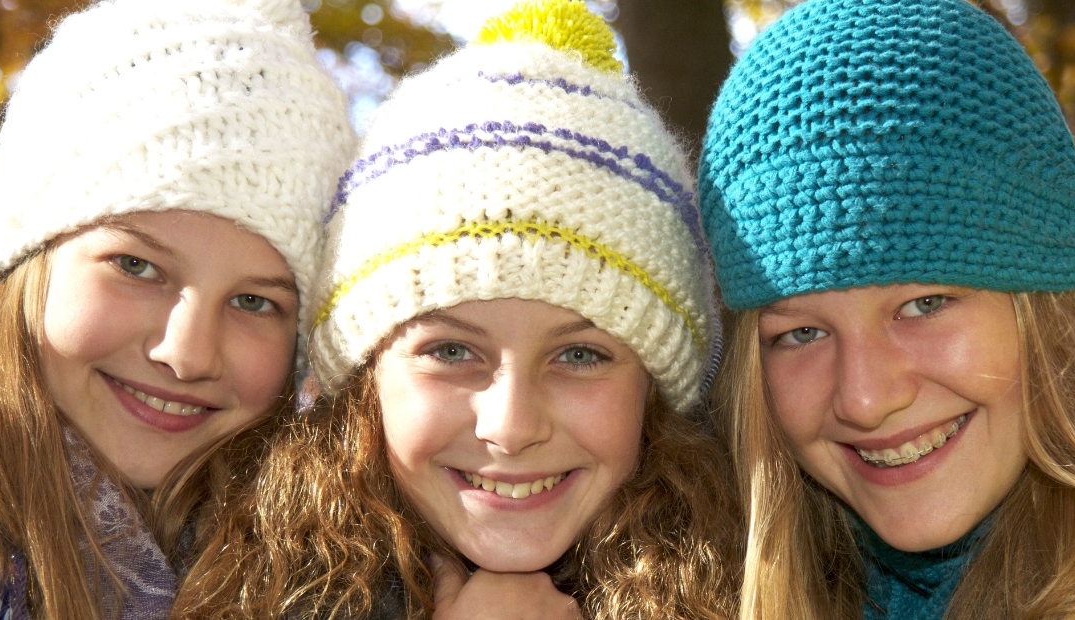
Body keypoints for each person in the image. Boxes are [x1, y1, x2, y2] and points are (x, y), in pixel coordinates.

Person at [173, 1, 741, 618]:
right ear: (365, 376)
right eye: (450, 351)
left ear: (656, 392)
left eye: (579, 355)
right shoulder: (240, 589)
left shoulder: (777, 587)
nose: (511, 425)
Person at [0, 0, 355, 616]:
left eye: (254, 301)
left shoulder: (326, 538)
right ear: (24, 257)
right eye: (137, 266)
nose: (186, 353)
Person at [699, 0, 1075, 617]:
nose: (865, 399)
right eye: (802, 333)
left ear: (1047, 303)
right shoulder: (691, 586)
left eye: (925, 303)